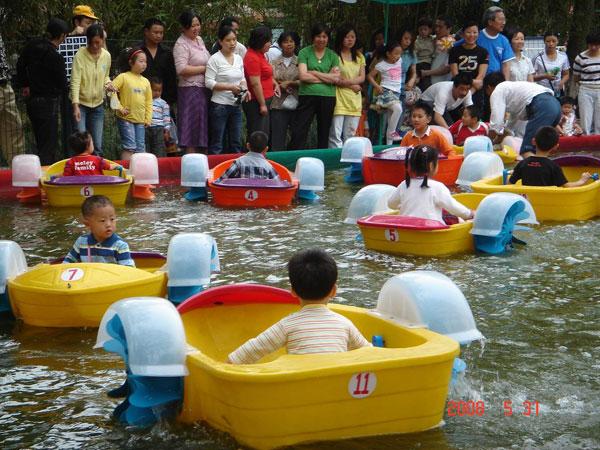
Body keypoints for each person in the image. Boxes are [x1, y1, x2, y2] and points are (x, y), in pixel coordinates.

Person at [228, 248, 370, 364]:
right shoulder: (344, 324)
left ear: (293, 291)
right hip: (336, 390)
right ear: (333, 291)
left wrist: (227, 364)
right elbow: (370, 353)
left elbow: (248, 353)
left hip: (299, 393)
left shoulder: (287, 325)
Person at [16, 18, 69, 166]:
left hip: (32, 101)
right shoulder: (56, 58)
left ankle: (38, 168)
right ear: (62, 36)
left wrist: (25, 84)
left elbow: (20, 64)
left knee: (39, 139)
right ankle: (44, 176)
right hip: (49, 103)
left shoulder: (32, 46)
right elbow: (63, 84)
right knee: (48, 144)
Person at [387, 145, 474, 223]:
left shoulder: (404, 184)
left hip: (407, 228)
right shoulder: (437, 187)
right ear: (432, 165)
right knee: (457, 219)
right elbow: (453, 207)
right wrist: (470, 214)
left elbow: (391, 204)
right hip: (431, 230)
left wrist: (406, 204)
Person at [289, 24, 340, 150]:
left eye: (324, 36)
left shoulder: (333, 55)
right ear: (313, 37)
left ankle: (322, 161)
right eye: (318, 36)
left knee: (324, 131)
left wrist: (314, 73)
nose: (321, 39)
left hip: (328, 97)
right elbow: (303, 77)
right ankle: (296, 158)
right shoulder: (304, 52)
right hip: (307, 96)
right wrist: (327, 78)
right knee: (299, 129)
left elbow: (336, 78)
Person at [484, 72, 560, 156]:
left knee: (526, 150)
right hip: (555, 105)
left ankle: (533, 168)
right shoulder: (515, 93)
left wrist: (487, 143)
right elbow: (509, 129)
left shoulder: (497, 91)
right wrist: (496, 142)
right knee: (543, 148)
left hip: (543, 106)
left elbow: (496, 124)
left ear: (489, 87)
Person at [58, 5, 100, 156]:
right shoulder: (65, 40)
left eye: (92, 24)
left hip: (94, 97)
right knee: (76, 136)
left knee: (95, 139)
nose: (91, 27)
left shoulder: (94, 41)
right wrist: (72, 35)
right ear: (77, 22)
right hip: (73, 94)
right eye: (88, 23)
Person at [205, 25, 247, 155]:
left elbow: (242, 78)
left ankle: (235, 172)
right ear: (220, 41)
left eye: (234, 39)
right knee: (217, 142)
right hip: (219, 105)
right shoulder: (214, 59)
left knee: (236, 142)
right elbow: (209, 82)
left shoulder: (239, 58)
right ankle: (213, 172)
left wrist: (244, 89)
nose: (232, 43)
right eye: (228, 40)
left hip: (236, 105)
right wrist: (230, 87)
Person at [70, 23, 111, 156]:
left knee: (97, 145)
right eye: (91, 42)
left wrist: (109, 84)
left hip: (98, 104)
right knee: (81, 144)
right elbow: (75, 81)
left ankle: (97, 174)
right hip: (81, 103)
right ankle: (79, 172)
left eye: (98, 43)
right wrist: (75, 106)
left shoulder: (106, 56)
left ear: (102, 41)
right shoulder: (79, 55)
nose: (94, 46)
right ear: (87, 41)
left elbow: (106, 77)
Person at [173, 10, 211, 153]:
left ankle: (203, 161)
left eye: (198, 25)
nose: (196, 28)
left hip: (203, 89)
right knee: (191, 127)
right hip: (189, 90)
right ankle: (190, 160)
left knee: (202, 127)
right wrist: (204, 69)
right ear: (183, 27)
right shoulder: (181, 44)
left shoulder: (199, 40)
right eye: (192, 26)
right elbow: (181, 69)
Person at [63, 195, 134, 266]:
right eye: (103, 221)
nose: (109, 224)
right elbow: (67, 263)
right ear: (88, 224)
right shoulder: (81, 242)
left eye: (112, 219)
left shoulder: (120, 246)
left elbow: (129, 270)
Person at [509, 127, 591, 187]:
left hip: (528, 204)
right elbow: (567, 186)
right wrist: (582, 181)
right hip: (547, 204)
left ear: (533, 141)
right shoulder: (553, 166)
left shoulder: (522, 164)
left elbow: (509, 184)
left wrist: (513, 172)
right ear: (556, 146)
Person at [111, 48, 152, 160]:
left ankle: (139, 174)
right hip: (126, 118)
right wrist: (119, 108)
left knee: (140, 148)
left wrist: (148, 118)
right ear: (131, 62)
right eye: (141, 61)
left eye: (145, 62)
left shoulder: (146, 82)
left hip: (140, 121)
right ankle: (126, 172)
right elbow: (111, 91)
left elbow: (149, 101)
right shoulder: (123, 77)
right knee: (129, 147)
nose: (144, 64)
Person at [328, 24, 365, 148]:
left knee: (350, 135)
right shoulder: (334, 56)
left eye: (352, 37)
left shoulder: (359, 57)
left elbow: (362, 77)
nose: (350, 40)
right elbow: (336, 77)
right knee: (335, 134)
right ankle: (335, 163)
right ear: (341, 38)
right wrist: (352, 85)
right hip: (339, 97)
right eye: (347, 37)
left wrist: (348, 84)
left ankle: (347, 162)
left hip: (354, 99)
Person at [243, 26, 278, 137]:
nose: (270, 44)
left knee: (264, 132)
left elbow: (266, 74)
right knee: (258, 133)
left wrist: (275, 84)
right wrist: (262, 104)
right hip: (256, 102)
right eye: (268, 41)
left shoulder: (261, 54)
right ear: (260, 41)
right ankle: (255, 154)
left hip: (266, 98)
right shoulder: (252, 57)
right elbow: (255, 83)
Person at [367, 41, 404, 144]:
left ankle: (388, 144)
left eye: (399, 53)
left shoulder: (399, 60)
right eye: (396, 53)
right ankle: (392, 132)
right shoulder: (381, 65)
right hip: (386, 91)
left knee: (390, 116)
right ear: (388, 53)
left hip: (397, 93)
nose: (398, 56)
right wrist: (377, 86)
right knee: (398, 109)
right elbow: (369, 76)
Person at [270, 31, 301, 151]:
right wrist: (278, 85)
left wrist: (290, 83)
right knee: (277, 137)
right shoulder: (273, 62)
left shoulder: (301, 62)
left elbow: (305, 80)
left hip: (296, 104)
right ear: (280, 44)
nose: (289, 44)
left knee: (296, 136)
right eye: (285, 41)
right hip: (278, 104)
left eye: (291, 41)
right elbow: (269, 79)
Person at [448, 21, 488, 108]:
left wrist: (469, 93)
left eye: (475, 32)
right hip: (457, 89)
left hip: (475, 91)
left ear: (478, 34)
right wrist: (465, 87)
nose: (472, 35)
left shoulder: (483, 52)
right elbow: (455, 75)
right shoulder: (454, 50)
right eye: (468, 32)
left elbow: (480, 77)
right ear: (462, 34)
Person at [140, 18, 177, 108]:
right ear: (146, 31)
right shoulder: (138, 51)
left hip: (162, 101)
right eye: (155, 32)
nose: (159, 35)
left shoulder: (167, 53)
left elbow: (171, 78)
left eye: (161, 33)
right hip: (140, 98)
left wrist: (169, 102)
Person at [573, 31, 600, 135]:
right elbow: (576, 77)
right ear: (587, 44)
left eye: (596, 44)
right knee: (585, 119)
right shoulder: (580, 58)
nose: (593, 47)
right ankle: (585, 145)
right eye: (591, 44)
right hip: (585, 89)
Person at [476, 6, 514, 79]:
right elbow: (455, 47)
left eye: (504, 19)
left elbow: (506, 65)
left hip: (496, 81)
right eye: (500, 19)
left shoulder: (504, 40)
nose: (504, 22)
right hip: (477, 79)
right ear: (490, 22)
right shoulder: (475, 36)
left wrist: (505, 84)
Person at [532, 31, 569, 97]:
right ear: (544, 42)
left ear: (557, 41)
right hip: (542, 91)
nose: (551, 44)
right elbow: (531, 77)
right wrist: (545, 76)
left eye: (553, 41)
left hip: (557, 91)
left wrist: (561, 83)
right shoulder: (538, 57)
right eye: (548, 41)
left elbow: (566, 74)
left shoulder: (563, 56)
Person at [420, 16, 454, 86]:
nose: (437, 29)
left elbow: (447, 68)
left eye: (440, 27)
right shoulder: (430, 39)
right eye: (436, 26)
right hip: (428, 82)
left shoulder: (451, 44)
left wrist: (426, 73)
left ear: (449, 29)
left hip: (442, 84)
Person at [146, 77, 174, 157]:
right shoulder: (146, 101)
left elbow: (166, 117)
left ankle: (159, 164)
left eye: (159, 90)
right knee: (147, 147)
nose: (157, 93)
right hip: (147, 127)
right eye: (155, 90)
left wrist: (166, 130)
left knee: (159, 148)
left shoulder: (163, 103)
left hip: (159, 128)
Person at [414, 17, 435, 91]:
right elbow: (414, 54)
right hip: (420, 63)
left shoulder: (433, 39)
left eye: (425, 29)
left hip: (429, 64)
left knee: (426, 83)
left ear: (430, 30)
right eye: (421, 29)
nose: (423, 31)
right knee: (421, 82)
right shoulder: (417, 41)